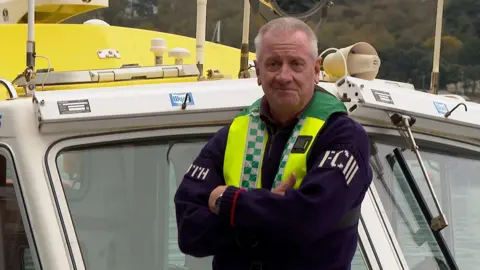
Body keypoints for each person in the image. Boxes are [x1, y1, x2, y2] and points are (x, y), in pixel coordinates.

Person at [174, 16, 373, 270]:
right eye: (273, 64)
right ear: (258, 72)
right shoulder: (233, 134)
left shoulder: (343, 137)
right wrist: (271, 211)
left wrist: (228, 202)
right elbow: (189, 231)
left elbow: (307, 219)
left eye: (296, 64)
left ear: (316, 70)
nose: (284, 75)